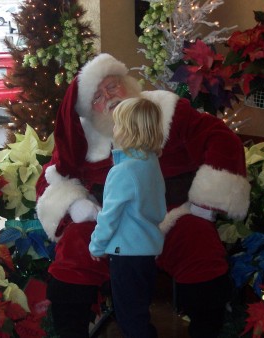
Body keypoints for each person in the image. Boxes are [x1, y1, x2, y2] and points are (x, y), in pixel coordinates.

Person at [36, 53, 251, 338]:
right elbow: (52, 177)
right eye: (98, 97)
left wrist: (205, 200)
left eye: (112, 87)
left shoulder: (168, 110)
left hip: (170, 214)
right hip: (109, 220)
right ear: (90, 110)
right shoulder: (84, 137)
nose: (109, 98)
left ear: (127, 83)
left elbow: (221, 139)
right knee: (75, 250)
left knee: (198, 241)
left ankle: (208, 330)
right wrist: (76, 206)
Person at [89, 97, 166, 338]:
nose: (114, 130)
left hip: (126, 256)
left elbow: (109, 216)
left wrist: (96, 245)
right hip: (146, 253)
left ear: (128, 131)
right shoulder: (151, 164)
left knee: (130, 318)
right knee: (138, 312)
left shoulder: (122, 171)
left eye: (117, 124)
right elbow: (158, 210)